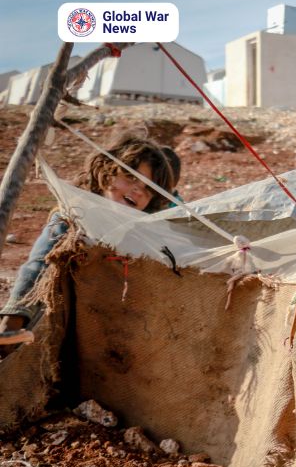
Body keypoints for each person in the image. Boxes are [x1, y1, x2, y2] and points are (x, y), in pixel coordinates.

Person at [0, 136, 176, 343]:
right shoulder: (72, 215)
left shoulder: (140, 232)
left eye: (148, 190)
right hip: (58, 314)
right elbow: (39, 264)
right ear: (106, 173)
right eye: (130, 178)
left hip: (107, 326)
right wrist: (14, 317)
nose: (137, 190)